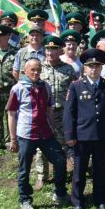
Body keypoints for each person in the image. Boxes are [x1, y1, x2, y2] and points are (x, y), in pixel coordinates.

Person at [6, 58, 69, 209]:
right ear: (25, 71)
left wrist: (53, 128)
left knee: (60, 161)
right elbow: (12, 114)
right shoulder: (18, 88)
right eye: (32, 69)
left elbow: (49, 109)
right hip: (26, 134)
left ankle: (60, 193)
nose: (36, 72)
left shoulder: (45, 86)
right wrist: (13, 139)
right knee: (24, 169)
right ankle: (25, 199)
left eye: (38, 69)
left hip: (45, 133)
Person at [63, 49, 105, 209]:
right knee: (79, 172)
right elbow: (69, 112)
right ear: (84, 68)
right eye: (90, 66)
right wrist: (69, 135)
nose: (93, 69)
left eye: (97, 66)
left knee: (101, 171)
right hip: (82, 137)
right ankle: (78, 202)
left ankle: (100, 200)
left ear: (101, 68)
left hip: (102, 136)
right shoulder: (76, 86)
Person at [35, 35, 76, 190]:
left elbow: (73, 90)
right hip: (44, 114)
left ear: (60, 51)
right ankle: (41, 176)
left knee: (65, 143)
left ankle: (64, 172)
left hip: (63, 113)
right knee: (41, 146)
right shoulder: (39, 68)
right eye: (47, 49)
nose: (50, 52)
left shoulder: (68, 69)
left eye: (53, 49)